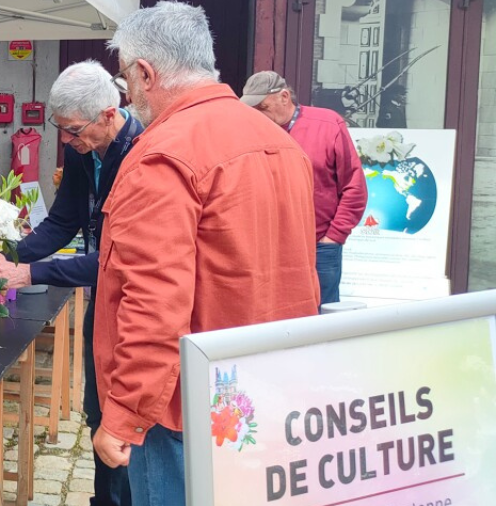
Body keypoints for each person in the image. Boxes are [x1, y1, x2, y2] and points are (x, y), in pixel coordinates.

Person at [95, 3, 321, 504]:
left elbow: (153, 303)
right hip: (269, 389)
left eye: (126, 79)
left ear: (146, 73)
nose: (127, 93)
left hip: (187, 411)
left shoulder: (161, 155)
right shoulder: (280, 142)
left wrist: (125, 416)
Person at [0, 59, 142, 506]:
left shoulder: (143, 151)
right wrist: (6, 255)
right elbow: (62, 222)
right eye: (60, 129)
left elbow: (113, 260)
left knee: (128, 428)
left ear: (110, 113)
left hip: (139, 308)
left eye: (73, 130)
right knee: (97, 412)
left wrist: (30, 272)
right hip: (102, 305)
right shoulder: (80, 149)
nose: (67, 141)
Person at [241, 71, 368, 305]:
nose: (258, 115)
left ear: (284, 97)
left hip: (319, 244)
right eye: (253, 110)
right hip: (270, 247)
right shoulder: (251, 132)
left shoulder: (328, 124)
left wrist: (334, 236)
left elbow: (354, 185)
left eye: (263, 107)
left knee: (322, 320)